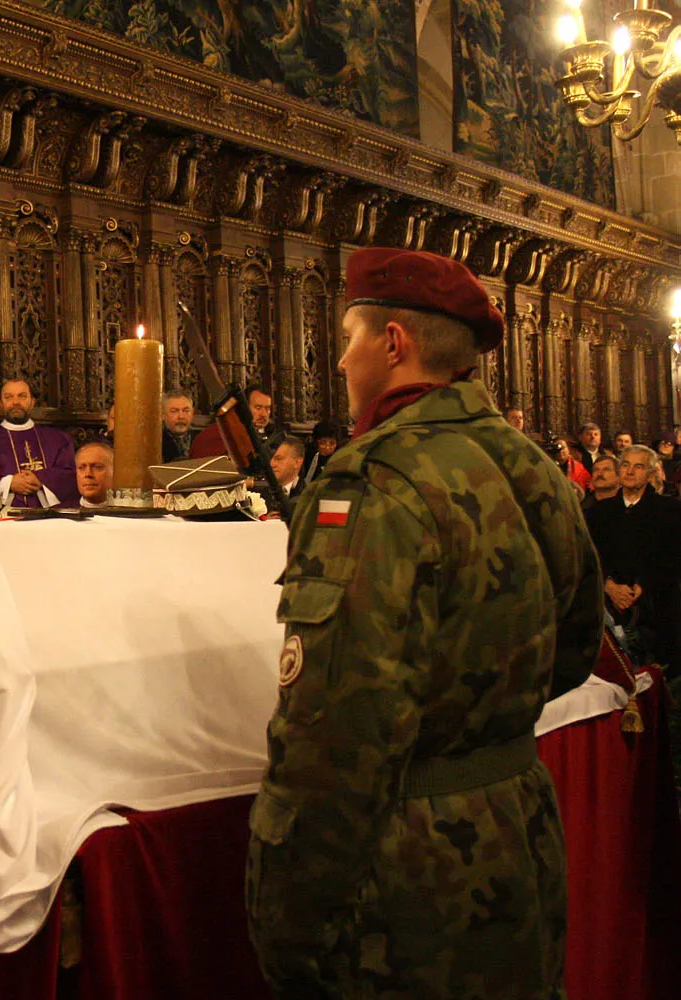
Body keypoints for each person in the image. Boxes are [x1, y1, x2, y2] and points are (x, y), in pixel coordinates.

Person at [248, 247, 603, 1000]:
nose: (341, 361)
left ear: (393, 343)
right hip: (519, 826)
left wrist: (287, 918)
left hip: (407, 869)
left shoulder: (375, 479)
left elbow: (339, 729)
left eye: (349, 339)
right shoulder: (530, 462)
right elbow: (576, 648)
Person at [585, 445, 681, 667]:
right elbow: (589, 555)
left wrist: (643, 584)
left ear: (650, 473)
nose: (629, 472)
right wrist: (608, 585)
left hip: (657, 607)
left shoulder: (670, 510)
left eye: (638, 467)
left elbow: (673, 556)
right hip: (607, 605)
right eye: (625, 465)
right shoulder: (598, 512)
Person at [0, 378, 78, 508]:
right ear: (0, 403)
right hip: (3, 516)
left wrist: (40, 479)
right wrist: (8, 483)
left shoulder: (58, 439)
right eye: (8, 397)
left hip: (51, 516)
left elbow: (70, 475)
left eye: (22, 396)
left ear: (32, 402)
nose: (15, 402)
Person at [266, 435, 307, 500]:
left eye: (279, 459)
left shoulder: (309, 497)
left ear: (297, 462)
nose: (271, 464)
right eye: (270, 458)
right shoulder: (257, 491)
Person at [75, 441, 114, 507]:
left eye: (97, 467)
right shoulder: (61, 511)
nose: (88, 474)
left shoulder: (129, 511)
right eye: (81, 468)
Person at [161, 392, 195, 461]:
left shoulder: (202, 438)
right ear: (162, 415)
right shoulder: (156, 442)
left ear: (192, 412)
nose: (181, 416)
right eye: (174, 411)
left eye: (186, 411)